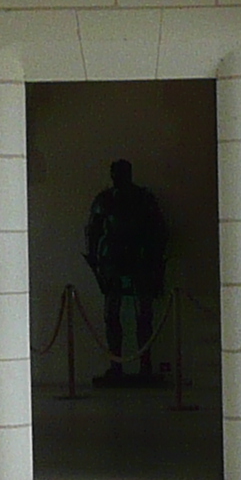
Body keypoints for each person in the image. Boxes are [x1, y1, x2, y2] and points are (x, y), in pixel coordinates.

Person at [82, 158, 168, 383]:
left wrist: (155, 260)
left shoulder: (143, 198)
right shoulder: (106, 199)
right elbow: (93, 230)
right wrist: (95, 258)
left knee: (144, 314)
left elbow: (158, 230)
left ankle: (145, 365)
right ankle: (116, 365)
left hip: (139, 258)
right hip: (113, 259)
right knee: (111, 313)